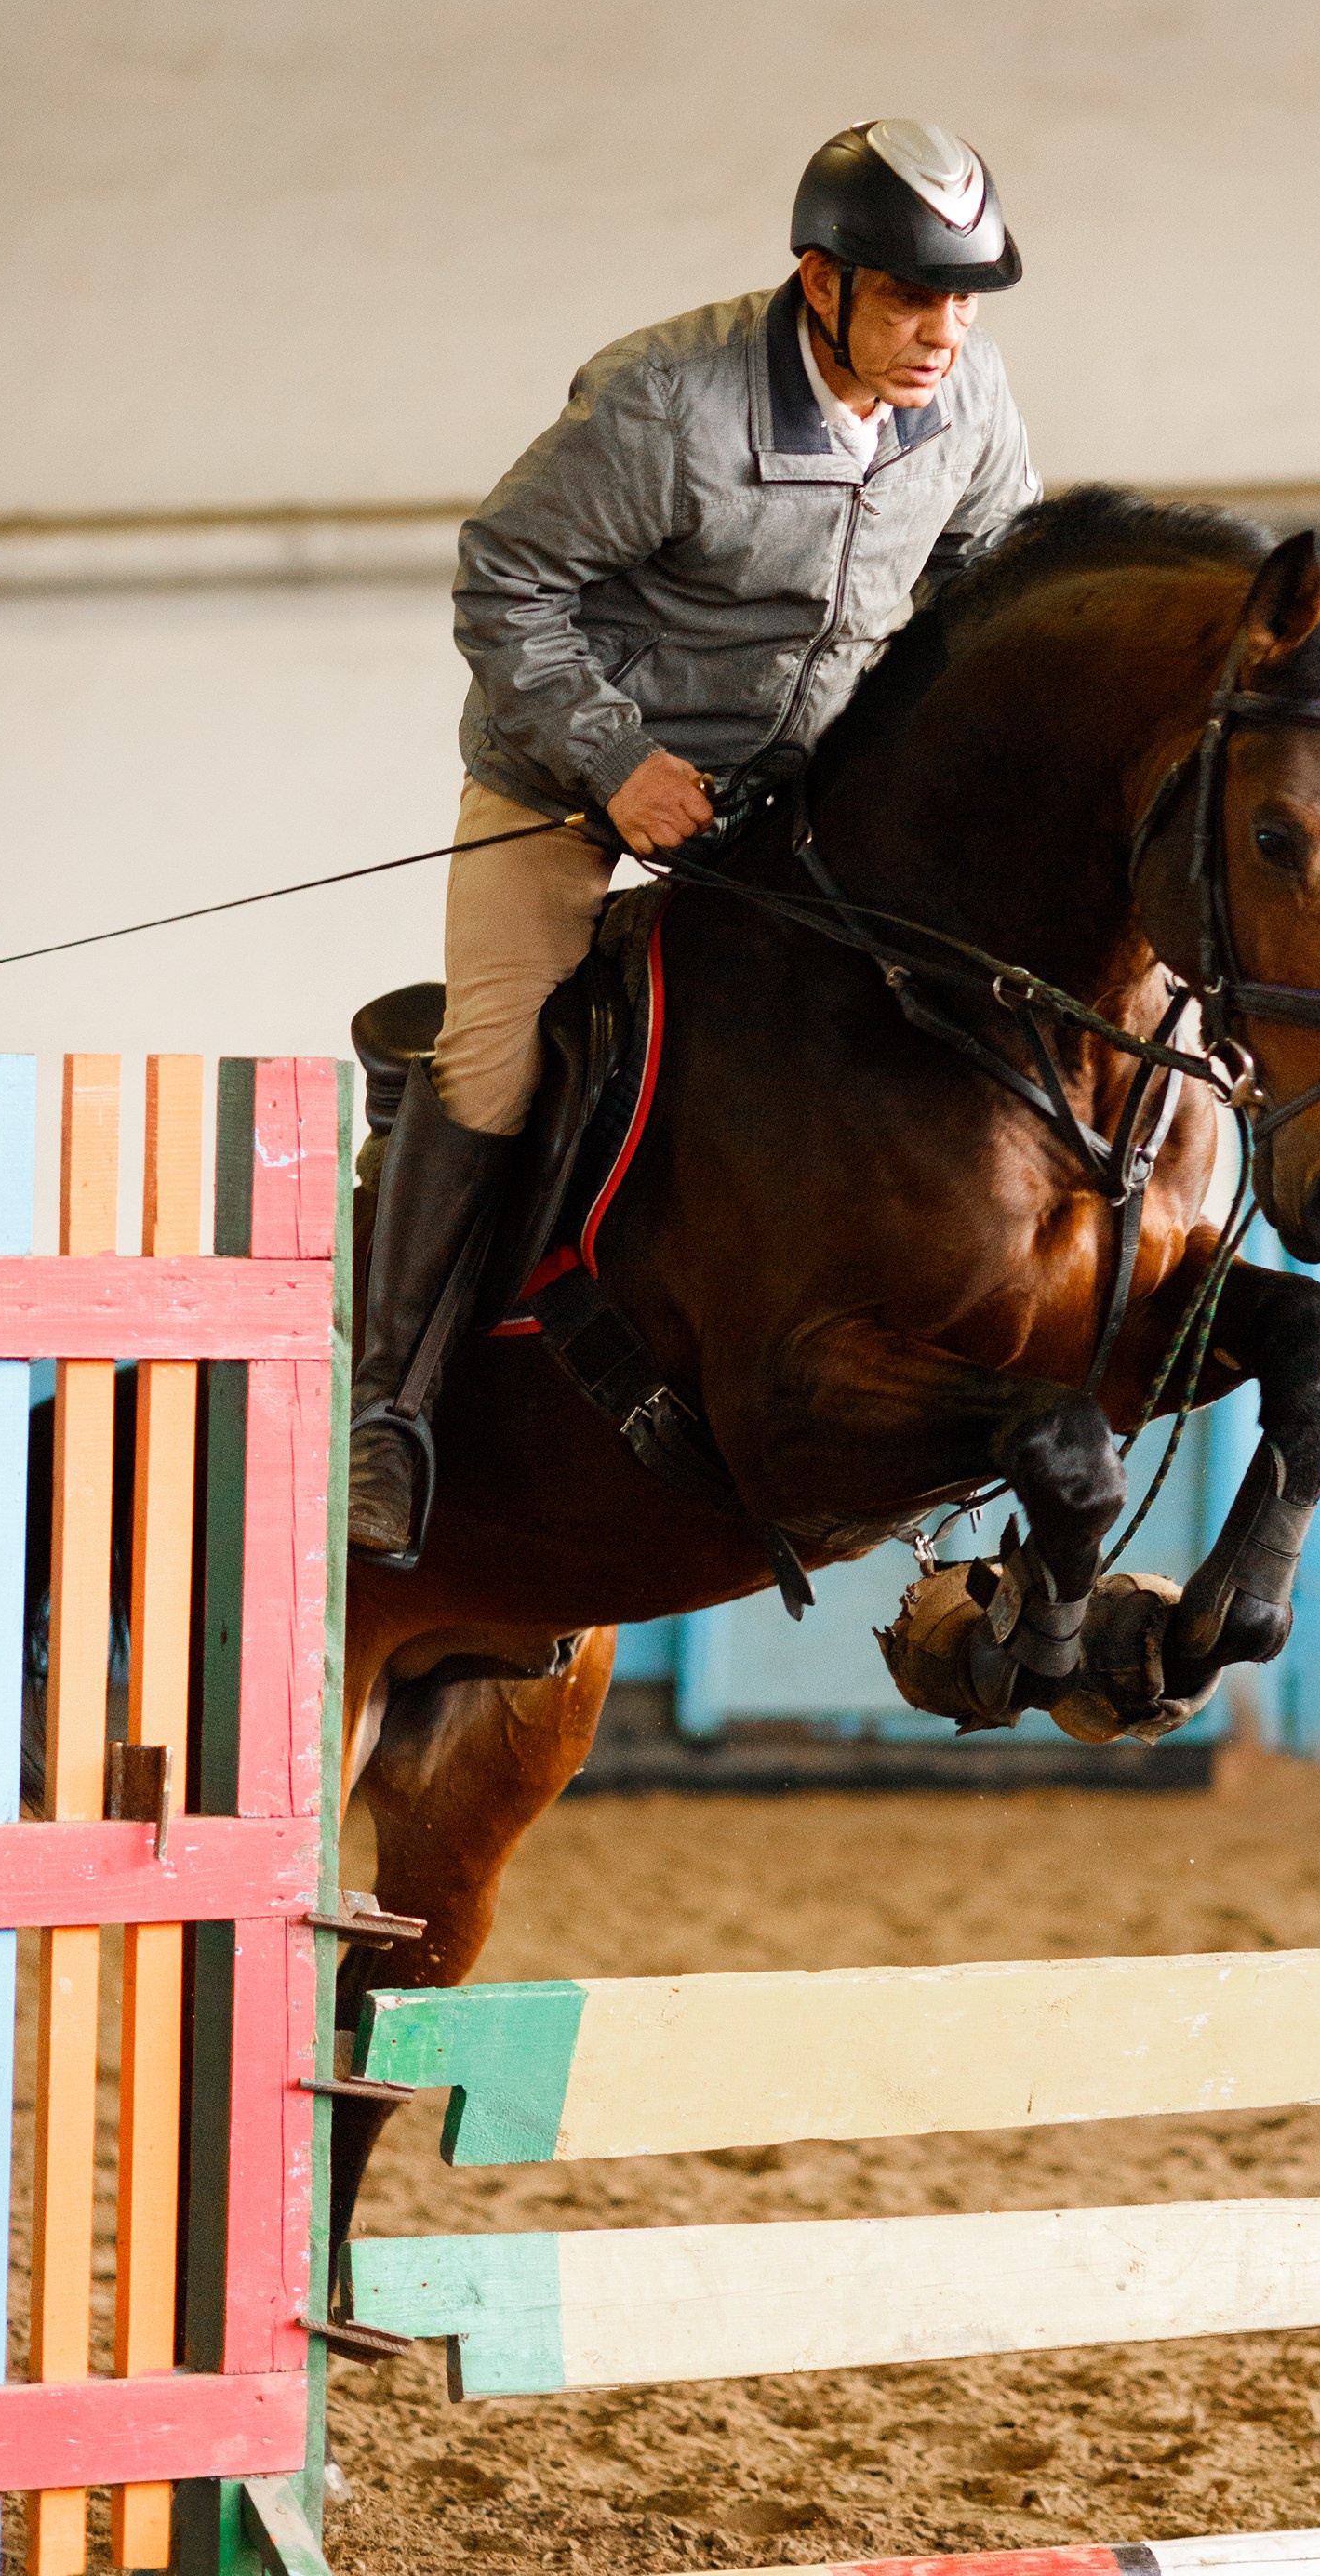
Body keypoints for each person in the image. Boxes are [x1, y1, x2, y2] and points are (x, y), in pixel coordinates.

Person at [348, 120, 1040, 1562]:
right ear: (819, 279)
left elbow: (988, 591)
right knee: (497, 1045)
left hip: (790, 799)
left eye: (964, 301)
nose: (944, 334)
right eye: (914, 299)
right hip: (566, 771)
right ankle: (389, 1414)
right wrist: (617, 763)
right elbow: (505, 586)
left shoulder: (967, 406)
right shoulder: (667, 401)